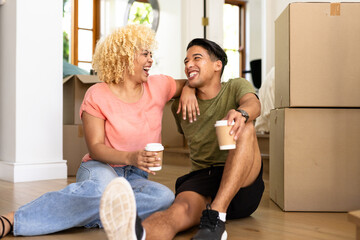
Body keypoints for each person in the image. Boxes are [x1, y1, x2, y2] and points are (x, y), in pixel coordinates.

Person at [0, 24, 198, 239]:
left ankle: (86, 214)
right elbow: (96, 149)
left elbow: (191, 82)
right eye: (144, 54)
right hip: (99, 167)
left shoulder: (158, 85)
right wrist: (132, 156)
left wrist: (187, 90)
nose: (151, 59)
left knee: (163, 198)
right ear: (124, 56)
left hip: (135, 175)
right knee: (101, 191)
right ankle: (14, 219)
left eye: (151, 54)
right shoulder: (97, 94)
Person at [99, 38, 265, 240]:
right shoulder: (181, 107)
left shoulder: (235, 86)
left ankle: (216, 216)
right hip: (203, 176)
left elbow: (253, 104)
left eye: (197, 58)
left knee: (246, 128)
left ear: (217, 65)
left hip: (243, 181)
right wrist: (188, 88)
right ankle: (137, 234)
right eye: (186, 61)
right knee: (177, 212)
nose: (188, 65)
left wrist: (242, 114)